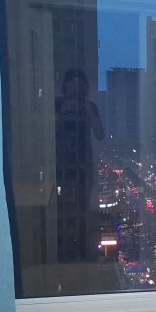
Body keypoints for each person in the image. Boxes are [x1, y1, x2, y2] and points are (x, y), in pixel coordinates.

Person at [55, 69, 104, 261]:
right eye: (72, 85)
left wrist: (89, 113)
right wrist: (61, 112)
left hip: (84, 166)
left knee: (83, 207)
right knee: (61, 208)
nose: (75, 90)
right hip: (60, 165)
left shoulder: (89, 106)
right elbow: (44, 130)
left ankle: (82, 250)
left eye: (80, 85)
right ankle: (62, 249)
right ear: (65, 87)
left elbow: (100, 134)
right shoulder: (57, 104)